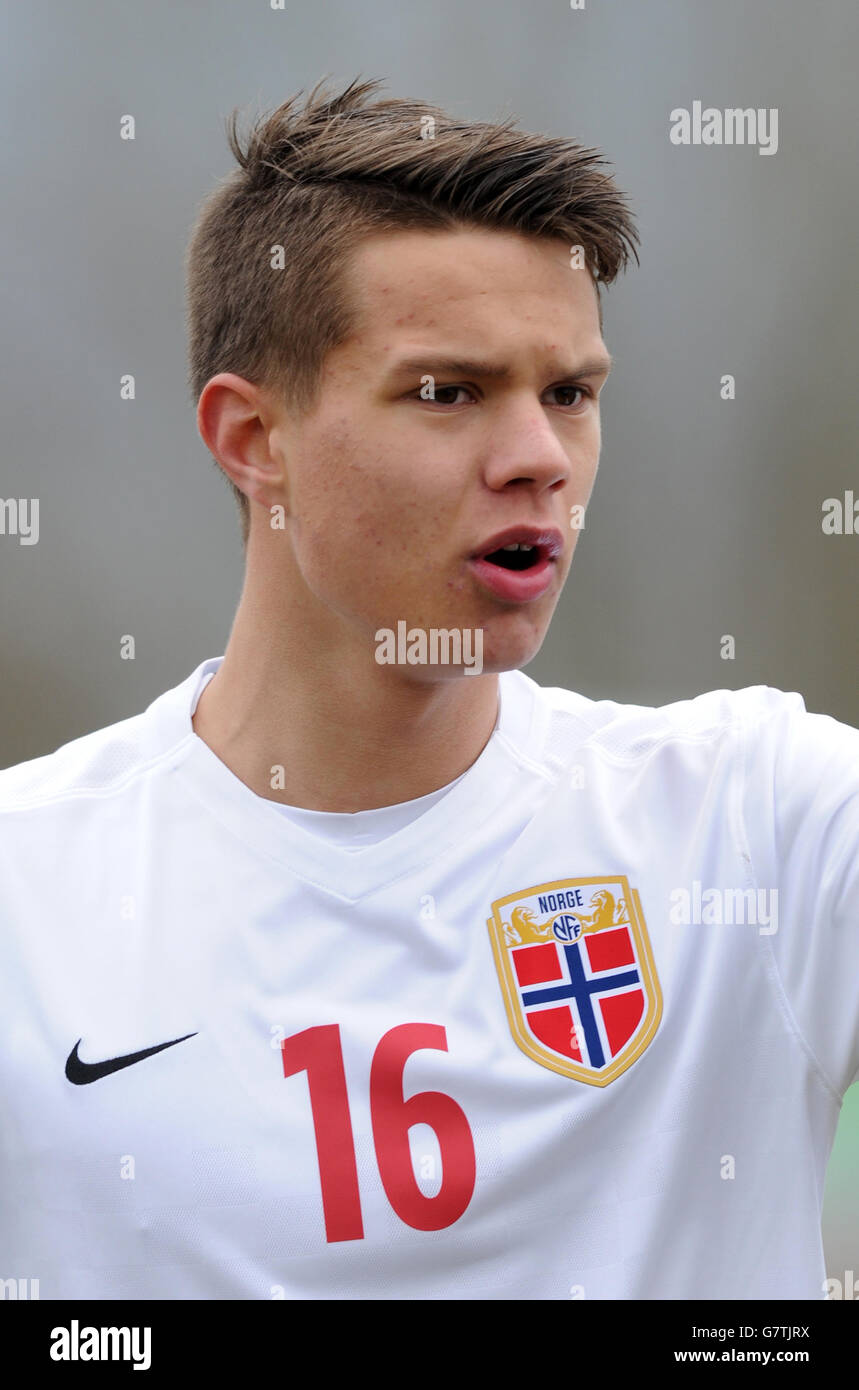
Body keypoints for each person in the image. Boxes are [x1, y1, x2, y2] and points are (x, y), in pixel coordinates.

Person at [1, 77, 856, 1301]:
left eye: (569, 393)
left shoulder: (755, 825)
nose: (540, 460)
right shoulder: (27, 898)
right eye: (448, 393)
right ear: (253, 441)